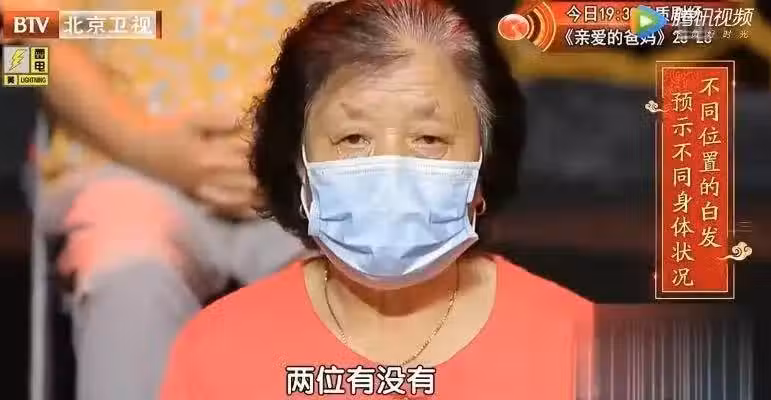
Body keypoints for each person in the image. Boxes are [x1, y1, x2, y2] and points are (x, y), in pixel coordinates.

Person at [161, 0, 595, 398]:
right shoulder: (221, 349)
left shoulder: (581, 348)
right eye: (353, 138)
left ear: (485, 161)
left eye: (429, 138)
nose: (391, 172)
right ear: (299, 163)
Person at [0, 0, 311, 399]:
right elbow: (20, 51)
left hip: (312, 174)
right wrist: (143, 146)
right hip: (124, 169)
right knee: (130, 277)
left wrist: (295, 156)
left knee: (351, 280)